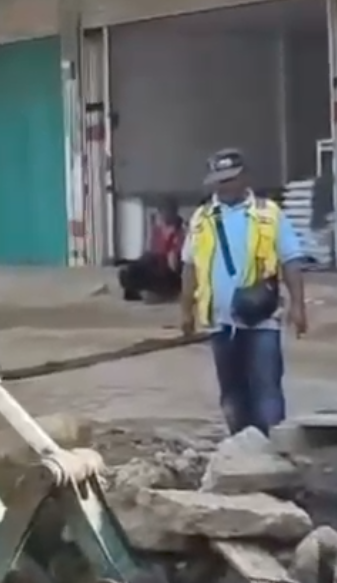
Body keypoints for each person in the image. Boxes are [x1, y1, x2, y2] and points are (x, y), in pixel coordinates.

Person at [179, 148, 308, 437]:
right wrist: (186, 311)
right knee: (232, 395)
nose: (225, 186)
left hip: (262, 320)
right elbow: (189, 267)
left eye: (231, 179)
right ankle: (241, 449)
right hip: (221, 323)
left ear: (245, 178)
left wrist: (299, 306)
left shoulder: (268, 214)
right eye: (219, 180)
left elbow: (291, 259)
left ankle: (274, 449)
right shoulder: (201, 219)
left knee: (267, 391)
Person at [118, 209, 184, 302]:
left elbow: (174, 264)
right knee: (130, 271)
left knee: (139, 272)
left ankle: (160, 294)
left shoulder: (178, 237)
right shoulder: (158, 233)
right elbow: (151, 251)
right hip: (155, 264)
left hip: (167, 272)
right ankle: (139, 291)